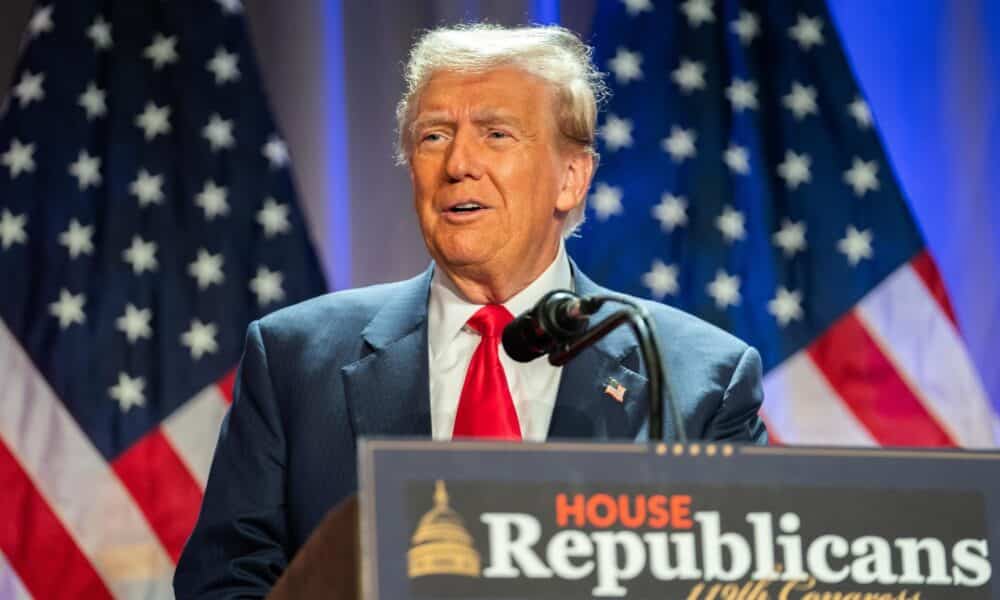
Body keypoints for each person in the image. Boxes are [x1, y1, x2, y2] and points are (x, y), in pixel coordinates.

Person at [174, 23, 767, 597]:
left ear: (571, 177)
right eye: (433, 135)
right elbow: (225, 582)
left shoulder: (700, 379)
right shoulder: (293, 358)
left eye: (496, 134)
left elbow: (745, 580)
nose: (457, 163)